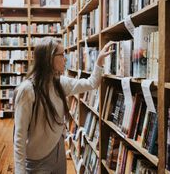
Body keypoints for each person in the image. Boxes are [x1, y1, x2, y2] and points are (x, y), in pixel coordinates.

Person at [14, 37, 114, 174]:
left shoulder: (60, 82)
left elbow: (92, 83)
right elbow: (19, 135)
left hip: (59, 152)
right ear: (49, 59)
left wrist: (99, 62)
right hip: (37, 159)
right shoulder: (27, 90)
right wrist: (20, 171)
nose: (66, 59)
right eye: (62, 55)